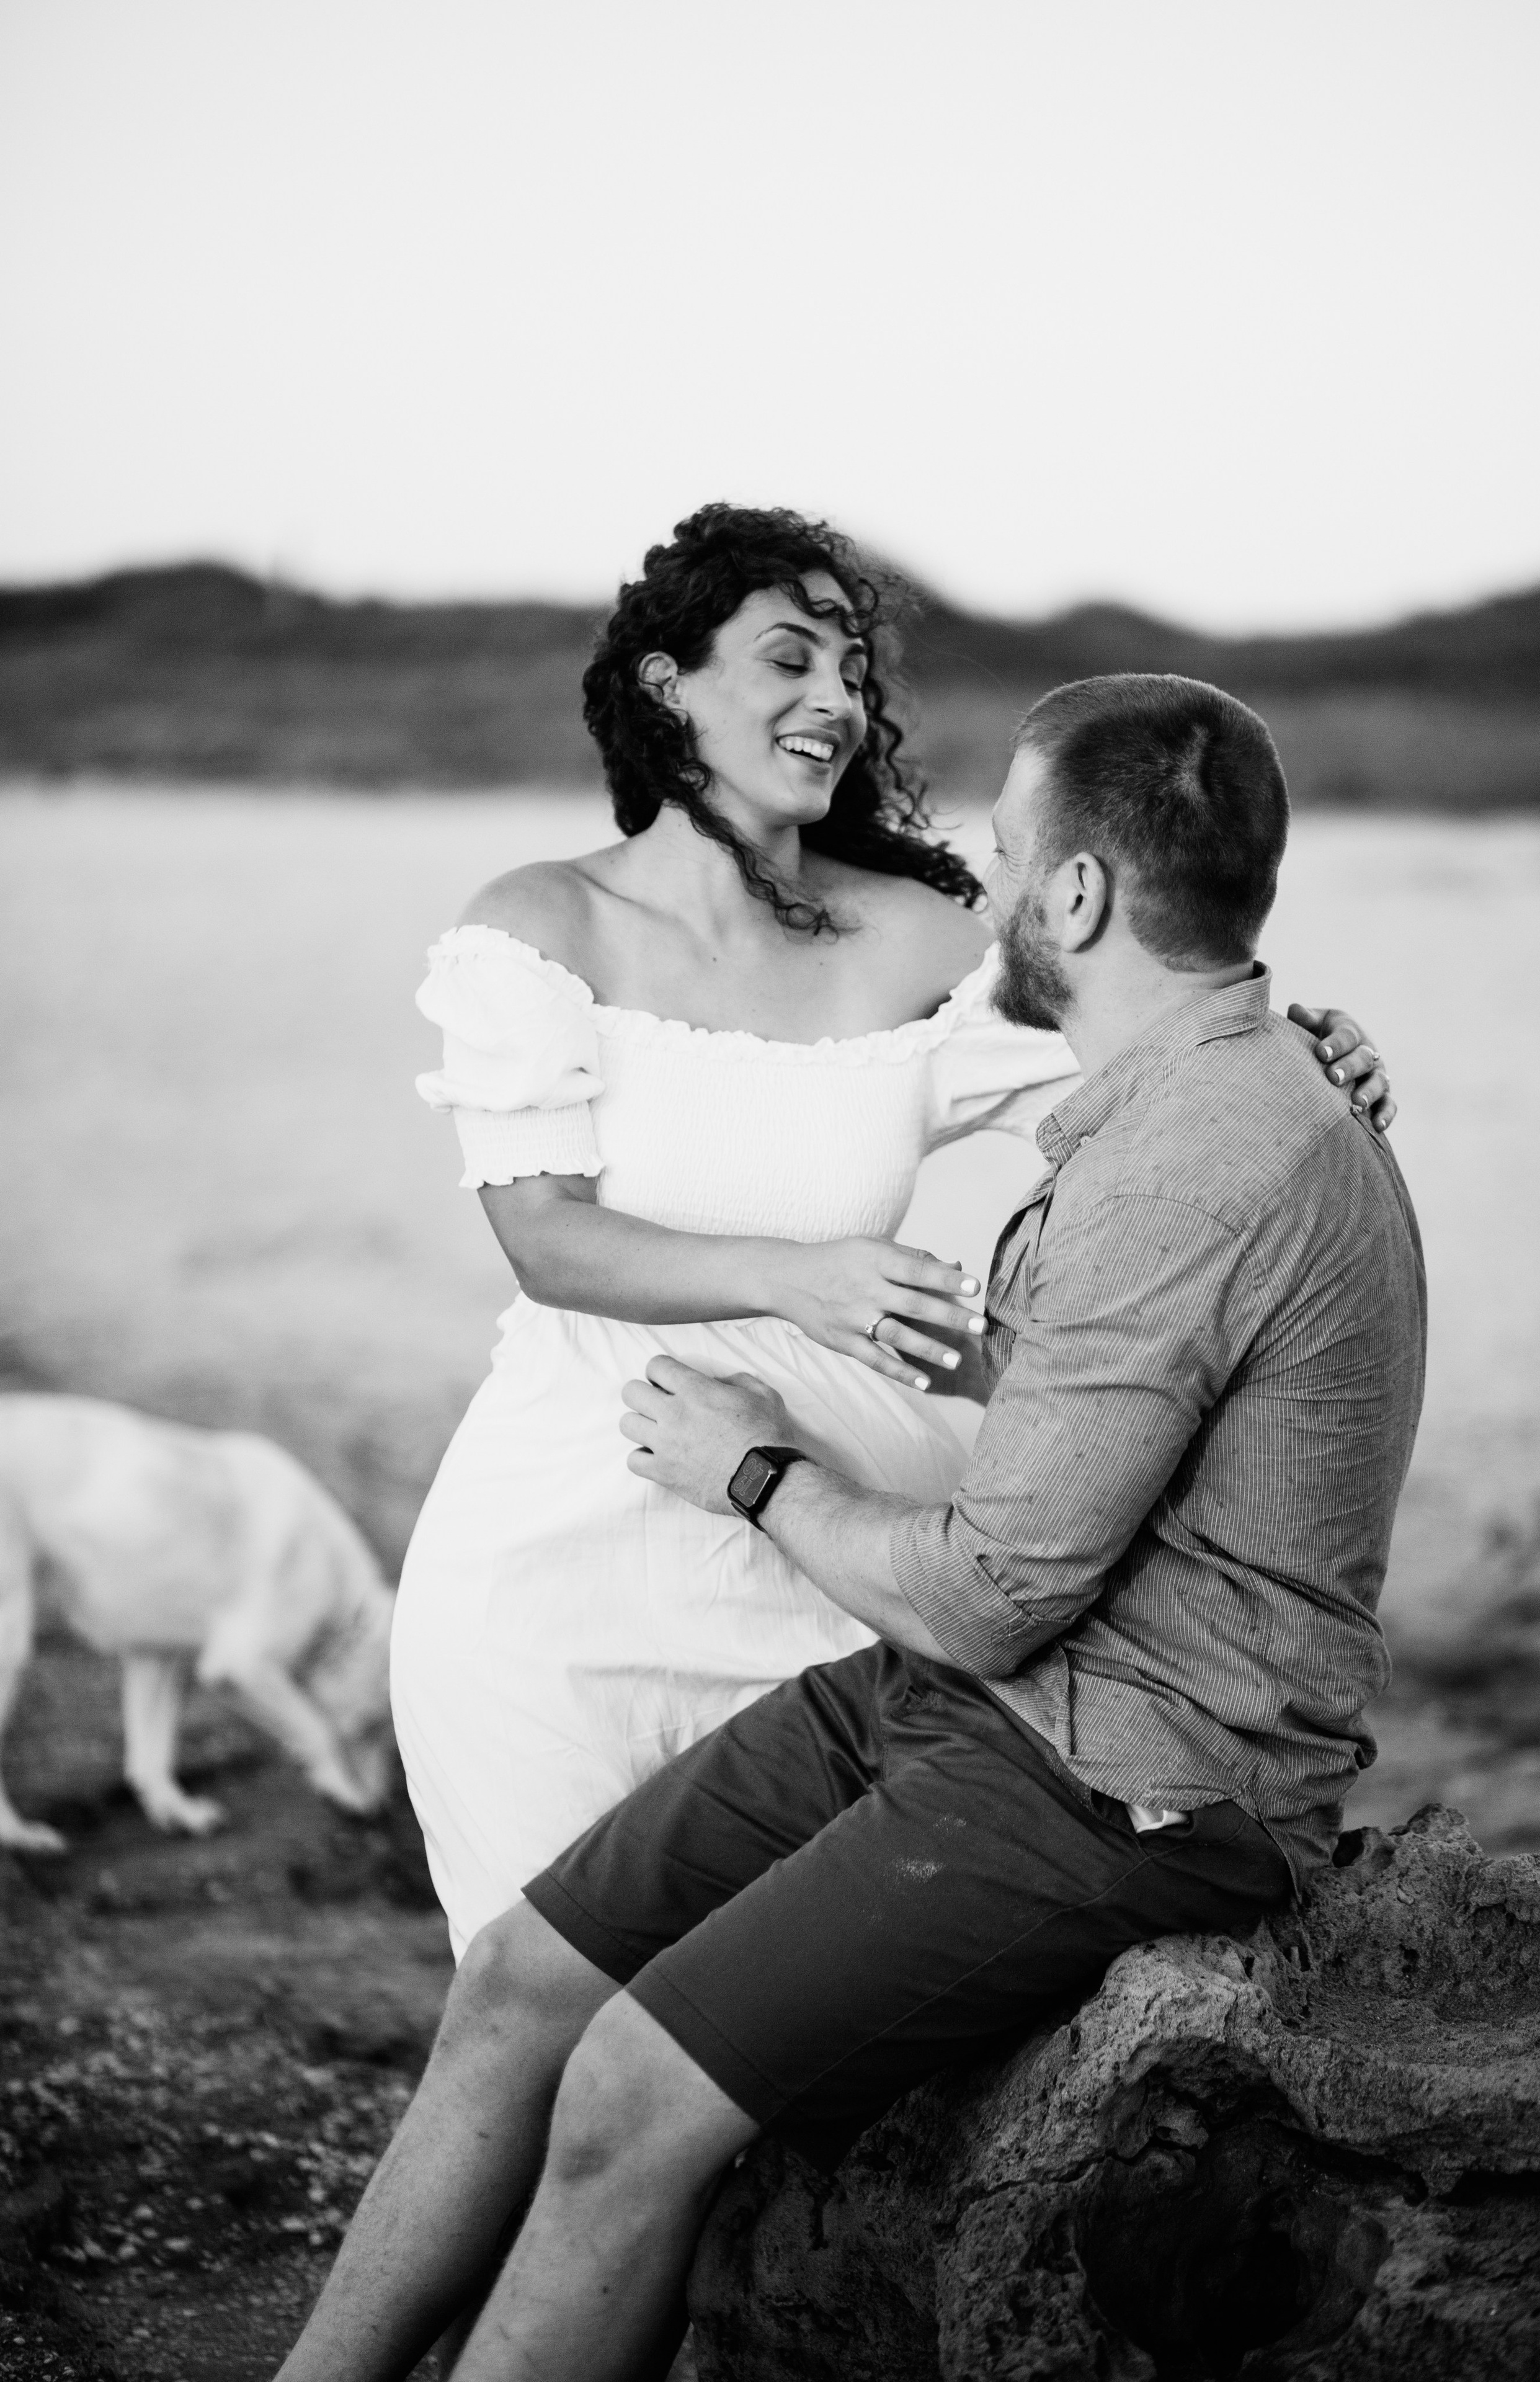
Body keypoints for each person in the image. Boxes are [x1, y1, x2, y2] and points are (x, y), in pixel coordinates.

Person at [279, 671, 1425, 2382]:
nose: (979, 878)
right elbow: (1106, 1408)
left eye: (1005, 851)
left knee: (626, 2097)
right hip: (988, 1701)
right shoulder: (1189, 1101)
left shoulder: (1195, 1159)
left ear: (1076, 896)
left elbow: (982, 1598)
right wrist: (952, 1348)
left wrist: (756, 1471)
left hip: (1134, 1775)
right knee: (521, 1980)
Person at [393, 504, 1392, 1957]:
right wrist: (795, 1279)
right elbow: (544, 1240)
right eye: (786, 660)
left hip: (826, 1534)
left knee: (767, 1997)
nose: (834, 701)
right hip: (567, 1523)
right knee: (529, 1976)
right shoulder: (541, 926)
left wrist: (1296, 1052)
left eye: (850, 672)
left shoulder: (921, 934)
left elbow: (1149, 1042)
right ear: (668, 684)